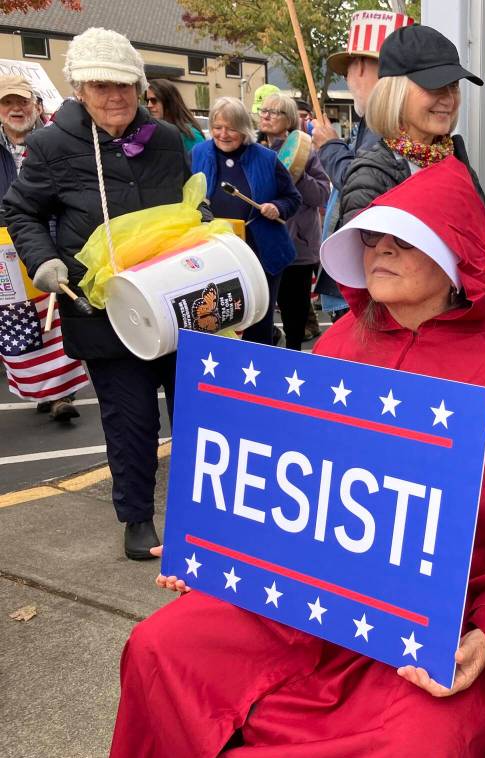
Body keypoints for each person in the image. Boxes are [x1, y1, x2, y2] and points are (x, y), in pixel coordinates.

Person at [108, 157, 485, 758]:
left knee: (411, 748)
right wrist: (214, 546)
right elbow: (281, 472)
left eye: (404, 241)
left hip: (437, 618)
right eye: (371, 237)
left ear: (454, 260)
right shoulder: (339, 341)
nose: (379, 251)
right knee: (161, 645)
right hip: (302, 597)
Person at [3, 28, 194, 559]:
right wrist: (43, 261)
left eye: (126, 86)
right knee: (131, 418)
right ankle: (136, 517)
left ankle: (202, 514)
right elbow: (21, 210)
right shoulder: (49, 145)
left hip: (175, 305)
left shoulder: (168, 140)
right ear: (80, 89)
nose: (116, 97)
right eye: (102, 86)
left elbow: (188, 211)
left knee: (199, 414)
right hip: (104, 311)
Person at [340, 24, 485, 294]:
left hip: (462, 329)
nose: (449, 99)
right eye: (435, 86)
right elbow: (369, 290)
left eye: (453, 86)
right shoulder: (371, 175)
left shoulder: (454, 161)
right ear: (396, 92)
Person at [313, 8, 415, 322]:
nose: (348, 78)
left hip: (365, 273)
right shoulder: (384, 121)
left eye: (351, 66)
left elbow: (363, 186)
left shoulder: (387, 124)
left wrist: (330, 147)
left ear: (361, 67)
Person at [0, 73, 86, 421]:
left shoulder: (53, 142)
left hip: (51, 239)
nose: (16, 109)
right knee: (18, 321)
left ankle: (62, 394)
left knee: (56, 319)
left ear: (36, 106)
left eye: (22, 101)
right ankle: (41, 388)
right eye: (8, 102)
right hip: (5, 248)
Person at [191, 96, 301, 346]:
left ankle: (257, 371)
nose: (223, 134)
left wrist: (277, 207)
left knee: (256, 319)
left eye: (230, 128)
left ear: (243, 129)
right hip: (215, 253)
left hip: (261, 252)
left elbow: (293, 198)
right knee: (217, 316)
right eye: (217, 127)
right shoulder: (198, 153)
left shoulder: (266, 158)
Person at [257, 92, 330, 349]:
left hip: (297, 248)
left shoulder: (306, 152)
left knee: (294, 318)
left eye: (273, 112)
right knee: (261, 312)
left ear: (288, 120)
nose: (265, 116)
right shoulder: (253, 150)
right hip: (262, 245)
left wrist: (296, 173)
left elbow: (321, 194)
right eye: (263, 110)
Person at [144, 78, 204, 152]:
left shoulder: (190, 136)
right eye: (147, 101)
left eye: (154, 100)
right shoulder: (149, 132)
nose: (149, 105)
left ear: (169, 102)